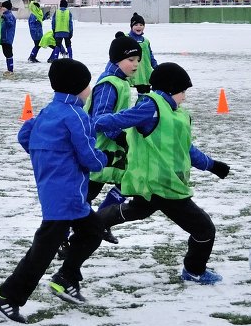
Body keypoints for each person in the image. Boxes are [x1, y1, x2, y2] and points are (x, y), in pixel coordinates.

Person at [0, 59, 112, 322]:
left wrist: (48, 159)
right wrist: (107, 158)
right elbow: (91, 159)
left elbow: (24, 136)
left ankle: (65, 279)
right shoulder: (77, 116)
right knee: (44, 249)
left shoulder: (48, 111)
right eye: (87, 84)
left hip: (56, 188)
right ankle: (6, 297)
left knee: (93, 230)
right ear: (79, 87)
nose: (90, 89)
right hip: (67, 193)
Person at [94, 62, 231, 285]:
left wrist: (212, 165)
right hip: (162, 186)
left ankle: (90, 222)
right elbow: (119, 119)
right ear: (170, 89)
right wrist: (89, 123)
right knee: (204, 229)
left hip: (159, 184)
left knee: (136, 211)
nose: (185, 97)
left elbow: (186, 149)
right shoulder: (151, 106)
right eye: (182, 91)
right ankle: (194, 270)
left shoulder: (176, 114)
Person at [85, 33, 143, 243]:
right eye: (130, 60)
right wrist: (119, 136)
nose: (135, 65)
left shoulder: (121, 82)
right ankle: (64, 237)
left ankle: (101, 222)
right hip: (99, 148)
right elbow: (99, 118)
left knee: (128, 181)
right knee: (83, 198)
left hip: (113, 149)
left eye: (138, 60)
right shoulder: (109, 84)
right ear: (116, 60)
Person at [127, 12, 158, 93]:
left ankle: (142, 105)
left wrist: (156, 66)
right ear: (131, 26)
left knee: (145, 94)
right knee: (125, 91)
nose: (139, 27)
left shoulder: (146, 41)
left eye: (141, 25)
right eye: (136, 25)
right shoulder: (127, 38)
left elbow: (150, 56)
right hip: (134, 71)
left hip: (145, 71)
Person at [0, 0, 17, 75]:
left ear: (7, 8)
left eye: (3, 7)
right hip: (4, 38)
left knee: (9, 54)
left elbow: (10, 24)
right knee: (6, 54)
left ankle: (10, 70)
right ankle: (9, 69)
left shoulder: (9, 16)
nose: (2, 8)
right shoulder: (5, 15)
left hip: (7, 38)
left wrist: (5, 18)